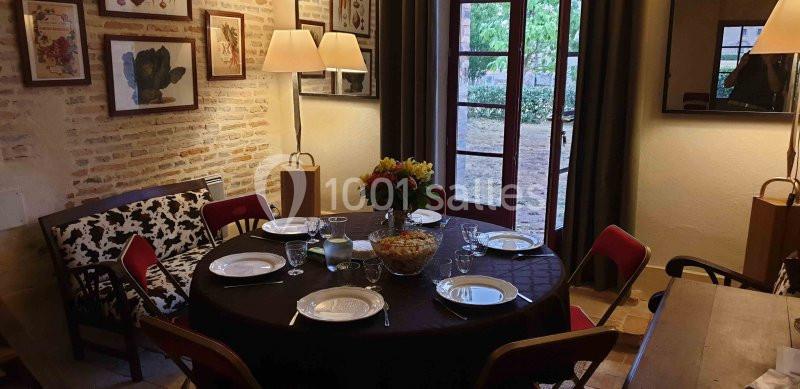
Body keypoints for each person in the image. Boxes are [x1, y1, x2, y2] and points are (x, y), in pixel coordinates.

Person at [724, 52, 790, 112]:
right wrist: (740, 65)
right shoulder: (748, 64)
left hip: (758, 110)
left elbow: (775, 88)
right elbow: (727, 84)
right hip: (734, 105)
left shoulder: (779, 69)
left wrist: (768, 64)